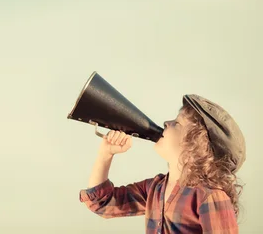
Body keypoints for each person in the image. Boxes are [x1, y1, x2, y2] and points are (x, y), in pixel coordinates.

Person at [79, 94, 246, 234]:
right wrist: (105, 154)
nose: (166, 122)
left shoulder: (209, 196)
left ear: (196, 145)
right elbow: (103, 203)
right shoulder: (156, 188)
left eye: (177, 123)